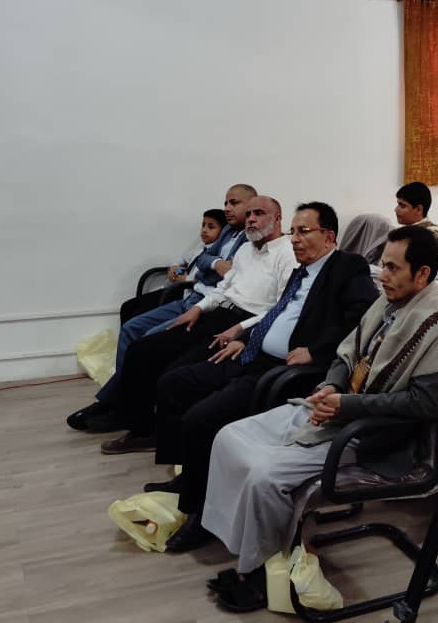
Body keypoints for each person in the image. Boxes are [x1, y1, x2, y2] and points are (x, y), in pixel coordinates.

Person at [198, 226, 438, 613]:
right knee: (228, 437)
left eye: (393, 268)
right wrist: (330, 387)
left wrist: (347, 405)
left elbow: (423, 405)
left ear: (422, 274)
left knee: (265, 476)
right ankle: (257, 552)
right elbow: (347, 354)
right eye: (383, 265)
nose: (383, 275)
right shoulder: (388, 303)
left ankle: (259, 574)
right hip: (340, 410)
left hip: (375, 437)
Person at [144, 202, 378, 552]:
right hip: (252, 353)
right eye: (293, 231)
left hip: (284, 372)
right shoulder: (302, 269)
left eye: (304, 231)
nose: (294, 239)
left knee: (200, 419)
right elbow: (279, 312)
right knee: (174, 383)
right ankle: (191, 476)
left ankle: (199, 516)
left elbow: (363, 319)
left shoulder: (347, 267)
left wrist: (317, 352)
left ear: (329, 236)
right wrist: (247, 336)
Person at [98, 196, 296, 453]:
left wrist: (241, 329)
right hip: (217, 313)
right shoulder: (246, 250)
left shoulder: (288, 254)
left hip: (244, 324)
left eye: (258, 213)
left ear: (277, 218)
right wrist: (197, 308)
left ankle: (165, 441)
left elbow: (280, 307)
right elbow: (223, 288)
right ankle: (138, 425)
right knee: (142, 350)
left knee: (175, 370)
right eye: (248, 214)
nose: (251, 219)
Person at [67, 185, 256, 432]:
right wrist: (217, 262)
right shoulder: (228, 231)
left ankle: (118, 405)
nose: (228, 208)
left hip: (211, 305)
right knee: (131, 327)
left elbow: (230, 281)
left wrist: (210, 269)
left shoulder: (250, 241)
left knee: (147, 341)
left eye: (234, 203)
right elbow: (203, 257)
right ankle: (117, 398)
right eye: (226, 203)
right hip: (194, 296)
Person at [364, 182, 438, 264]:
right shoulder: (404, 231)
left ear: (418, 209)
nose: (396, 209)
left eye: (402, 206)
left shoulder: (431, 235)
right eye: (398, 204)